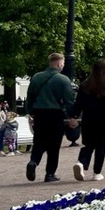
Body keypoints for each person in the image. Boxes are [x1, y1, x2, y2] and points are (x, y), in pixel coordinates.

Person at [25, 52, 76, 182]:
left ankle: (33, 162)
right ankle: (50, 174)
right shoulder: (63, 79)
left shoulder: (36, 77)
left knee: (39, 141)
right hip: (55, 113)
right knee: (54, 145)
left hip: (39, 113)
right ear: (59, 63)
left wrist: (30, 111)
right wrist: (72, 116)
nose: (63, 65)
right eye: (63, 63)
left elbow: (30, 96)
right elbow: (69, 100)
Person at [70, 58, 105, 182]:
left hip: (88, 119)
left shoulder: (85, 85)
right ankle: (96, 173)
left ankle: (81, 162)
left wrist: (74, 116)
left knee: (88, 144)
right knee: (100, 147)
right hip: (102, 120)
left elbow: (78, 103)